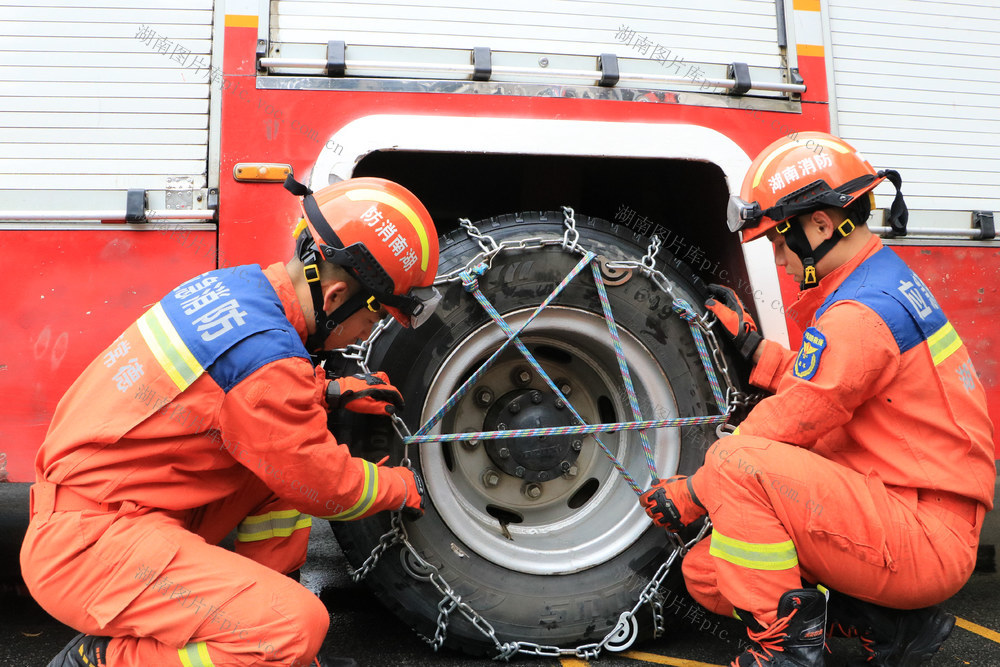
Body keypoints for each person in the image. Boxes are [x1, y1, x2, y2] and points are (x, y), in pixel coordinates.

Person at [21, 175, 441, 667]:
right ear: (335, 297)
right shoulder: (268, 364)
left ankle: (262, 623)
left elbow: (232, 393)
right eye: (372, 320)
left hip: (110, 513)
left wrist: (327, 392)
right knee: (296, 627)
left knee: (273, 474)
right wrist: (401, 485)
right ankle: (107, 660)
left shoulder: (238, 288)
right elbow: (324, 484)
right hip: (89, 550)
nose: (363, 335)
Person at [639, 131, 995, 666]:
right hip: (905, 510)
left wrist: (693, 492)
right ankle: (891, 622)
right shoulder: (876, 284)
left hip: (922, 534)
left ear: (822, 224)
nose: (776, 254)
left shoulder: (859, 314)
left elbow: (797, 420)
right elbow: (833, 391)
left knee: (736, 460)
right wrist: (759, 352)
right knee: (709, 574)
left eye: (779, 239)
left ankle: (784, 655)